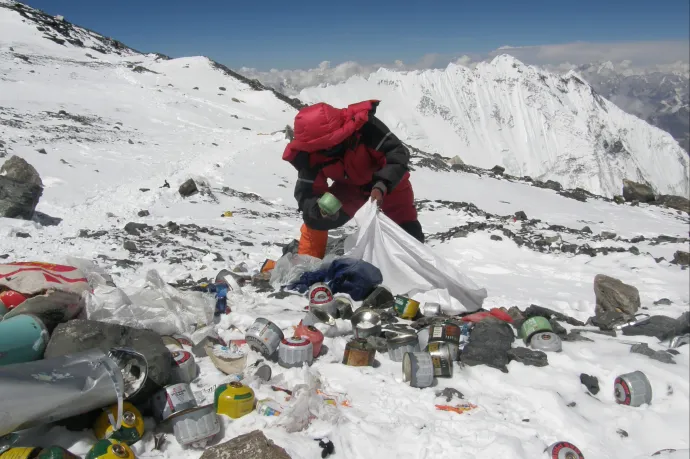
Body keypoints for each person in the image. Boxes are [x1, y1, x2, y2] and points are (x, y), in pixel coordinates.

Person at [282, 99, 425, 259]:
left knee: (407, 231)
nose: (330, 149)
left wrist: (381, 185)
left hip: (388, 184)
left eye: (334, 143)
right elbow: (308, 191)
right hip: (349, 189)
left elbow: (396, 155)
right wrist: (317, 211)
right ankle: (308, 264)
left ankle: (416, 267)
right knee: (314, 221)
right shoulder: (311, 155)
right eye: (324, 147)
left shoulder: (365, 129)